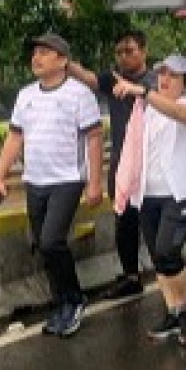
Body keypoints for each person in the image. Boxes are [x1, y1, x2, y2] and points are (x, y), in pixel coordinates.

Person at [0, 34, 103, 337]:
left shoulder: (79, 94)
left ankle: (74, 299)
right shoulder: (26, 96)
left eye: (44, 52)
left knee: (52, 240)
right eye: (34, 53)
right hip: (35, 180)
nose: (36, 58)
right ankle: (61, 302)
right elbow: (15, 138)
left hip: (67, 179)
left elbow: (94, 138)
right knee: (43, 243)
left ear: (62, 60)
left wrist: (95, 182)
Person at [113, 54, 186, 346]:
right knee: (158, 257)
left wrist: (144, 92)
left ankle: (185, 313)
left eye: (173, 75)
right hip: (148, 194)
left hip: (179, 193)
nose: (165, 80)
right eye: (162, 74)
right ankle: (172, 312)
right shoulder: (147, 111)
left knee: (168, 251)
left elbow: (182, 115)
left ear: (185, 82)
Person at [69, 31, 153, 300]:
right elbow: (88, 77)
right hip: (121, 161)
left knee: (151, 220)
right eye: (119, 52)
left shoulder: (154, 81)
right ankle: (131, 276)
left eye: (129, 51)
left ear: (144, 51)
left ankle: (168, 276)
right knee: (124, 221)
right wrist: (64, 62)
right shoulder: (112, 79)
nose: (123, 57)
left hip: (150, 161)